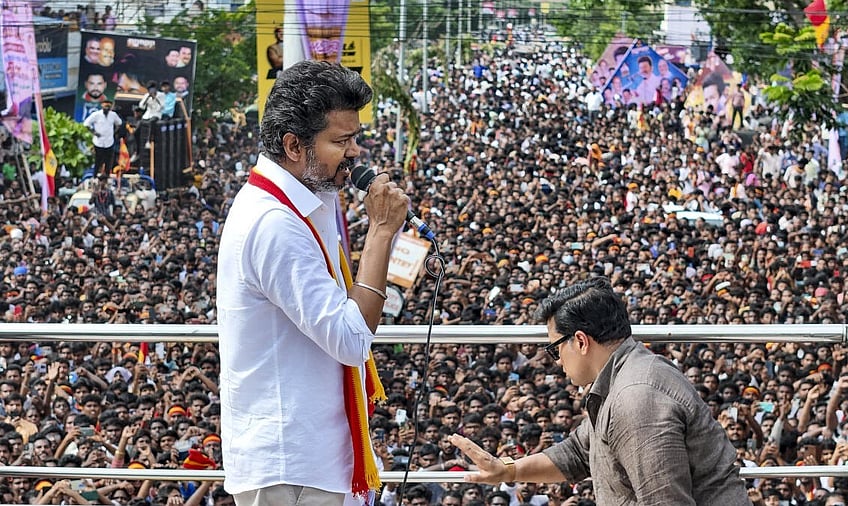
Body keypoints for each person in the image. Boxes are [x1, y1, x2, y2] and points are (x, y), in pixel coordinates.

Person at [217, 60, 409, 505]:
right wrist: (380, 233)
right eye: (341, 141)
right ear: (294, 146)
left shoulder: (306, 198)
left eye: (355, 138)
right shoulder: (274, 224)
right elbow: (350, 339)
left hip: (314, 455)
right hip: (291, 463)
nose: (356, 153)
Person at [450, 278, 752, 506]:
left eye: (554, 350)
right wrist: (508, 471)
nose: (555, 362)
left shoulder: (636, 400)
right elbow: (579, 451)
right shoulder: (626, 376)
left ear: (580, 341)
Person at [83, 99, 122, 176]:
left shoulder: (113, 115)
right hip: (98, 141)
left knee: (108, 161)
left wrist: (114, 132)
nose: (107, 108)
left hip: (109, 141)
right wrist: (94, 132)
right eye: (105, 106)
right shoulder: (96, 115)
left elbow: (119, 123)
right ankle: (95, 176)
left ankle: (107, 176)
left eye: (108, 106)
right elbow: (86, 124)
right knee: (98, 160)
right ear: (102, 106)